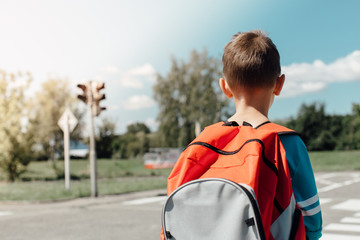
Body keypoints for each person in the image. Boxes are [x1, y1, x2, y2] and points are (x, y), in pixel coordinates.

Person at [162, 30, 322, 240]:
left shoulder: (199, 145)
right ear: (279, 84)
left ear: (224, 87)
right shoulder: (286, 143)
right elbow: (312, 224)